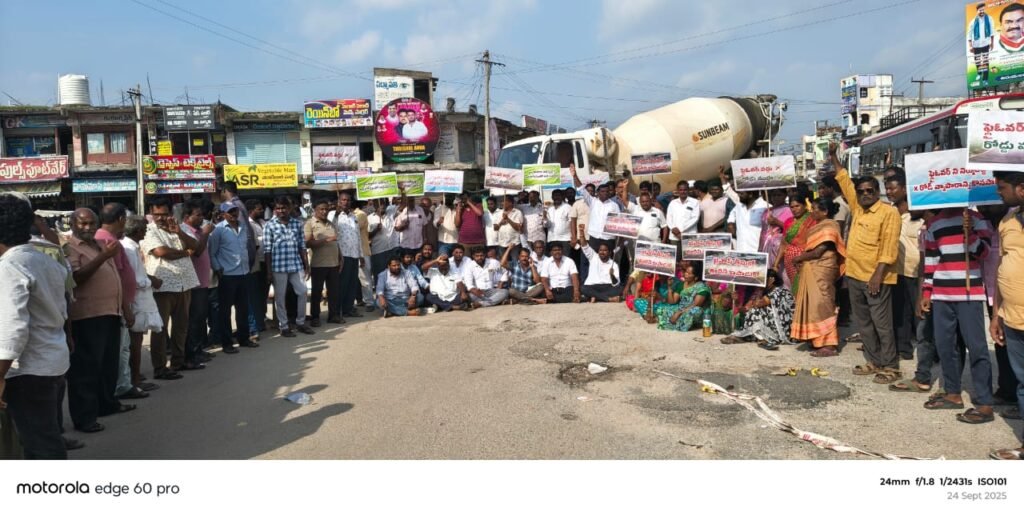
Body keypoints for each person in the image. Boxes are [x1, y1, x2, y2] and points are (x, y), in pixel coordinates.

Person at [0, 194, 71, 458]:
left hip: (27, 370)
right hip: (51, 360)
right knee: (45, 436)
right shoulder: (45, 260)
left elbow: (13, 328)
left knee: (39, 445)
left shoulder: (10, 267)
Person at [831, 142, 902, 384]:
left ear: (877, 191)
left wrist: (877, 275)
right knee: (864, 323)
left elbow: (889, 248)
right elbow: (844, 180)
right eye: (861, 191)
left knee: (882, 324)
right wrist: (833, 156)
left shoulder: (888, 213)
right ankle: (874, 361)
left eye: (870, 191)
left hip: (876, 277)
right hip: (854, 275)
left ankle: (891, 366)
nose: (864, 194)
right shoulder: (858, 208)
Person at [920, 207, 995, 423]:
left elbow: (984, 253)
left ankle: (985, 402)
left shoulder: (977, 219)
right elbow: (931, 261)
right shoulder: (933, 224)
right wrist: (927, 292)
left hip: (969, 294)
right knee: (946, 347)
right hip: (942, 294)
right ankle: (952, 393)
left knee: (977, 348)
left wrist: (969, 234)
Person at [66, 208, 131, 433]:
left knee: (107, 364)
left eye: (92, 223)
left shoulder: (101, 244)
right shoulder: (70, 247)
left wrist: (125, 308)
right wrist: (103, 257)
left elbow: (115, 277)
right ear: (72, 224)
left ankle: (106, 404)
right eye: (82, 223)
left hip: (110, 312)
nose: (88, 227)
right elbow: (76, 278)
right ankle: (84, 417)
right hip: (87, 315)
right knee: (85, 369)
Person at [142, 198, 199, 381]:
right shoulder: (149, 230)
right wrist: (184, 253)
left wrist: (179, 233)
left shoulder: (177, 228)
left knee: (181, 326)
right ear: (151, 213)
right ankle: (160, 367)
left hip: (184, 283)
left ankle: (178, 361)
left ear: (170, 213)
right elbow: (161, 252)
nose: (160, 218)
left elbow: (196, 247)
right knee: (160, 328)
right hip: (163, 285)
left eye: (164, 214)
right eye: (156, 214)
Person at [989, 171, 1024, 459]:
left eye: (1002, 188)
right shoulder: (1007, 222)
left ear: (1021, 189)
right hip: (1012, 318)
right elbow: (1002, 267)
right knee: (1023, 384)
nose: (998, 192)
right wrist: (996, 315)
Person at [789, 199, 847, 356]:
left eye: (814, 208)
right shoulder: (816, 227)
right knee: (813, 306)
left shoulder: (830, 227)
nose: (811, 211)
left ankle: (829, 344)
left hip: (823, 268)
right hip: (813, 268)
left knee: (823, 305)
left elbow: (818, 252)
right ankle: (816, 339)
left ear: (825, 211)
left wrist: (799, 258)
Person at [94, 203, 139, 400]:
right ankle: (122, 386)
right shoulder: (108, 241)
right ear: (121, 219)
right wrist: (126, 308)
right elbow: (116, 276)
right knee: (121, 349)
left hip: (118, 303)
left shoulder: (105, 238)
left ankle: (119, 386)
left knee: (121, 348)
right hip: (117, 305)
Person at [884, 171, 923, 360]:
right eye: (887, 189)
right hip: (896, 271)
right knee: (900, 312)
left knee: (920, 315)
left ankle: (928, 352)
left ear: (904, 189)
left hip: (916, 272)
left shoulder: (918, 215)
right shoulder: (889, 214)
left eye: (893, 188)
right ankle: (904, 349)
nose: (889, 192)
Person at [120, 216, 162, 393]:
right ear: (137, 231)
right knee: (134, 343)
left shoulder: (131, 247)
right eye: (144, 229)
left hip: (138, 298)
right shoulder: (129, 249)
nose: (146, 232)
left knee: (134, 342)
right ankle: (135, 380)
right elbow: (135, 280)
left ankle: (134, 377)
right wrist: (151, 281)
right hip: (136, 300)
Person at [264, 196, 314, 338]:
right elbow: (267, 250)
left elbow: (302, 246)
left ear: (289, 208)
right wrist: (268, 271)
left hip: (296, 264)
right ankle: (284, 326)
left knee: (302, 291)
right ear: (275, 209)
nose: (281, 211)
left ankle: (300, 322)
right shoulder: (270, 225)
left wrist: (306, 265)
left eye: (284, 208)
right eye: (278, 208)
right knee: (280, 297)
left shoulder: (297, 224)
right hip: (278, 267)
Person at [209, 202, 254, 353]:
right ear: (223, 214)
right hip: (227, 275)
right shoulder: (218, 230)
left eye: (235, 211)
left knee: (243, 309)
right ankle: (227, 343)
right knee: (225, 311)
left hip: (244, 273)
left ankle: (244, 338)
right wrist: (218, 269)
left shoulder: (243, 227)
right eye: (230, 212)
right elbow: (212, 253)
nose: (234, 214)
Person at [723, 269, 795, 350]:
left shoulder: (778, 291)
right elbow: (745, 310)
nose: (762, 284)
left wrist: (761, 289)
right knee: (754, 312)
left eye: (763, 281)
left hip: (782, 326)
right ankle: (754, 337)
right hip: (773, 322)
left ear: (772, 280)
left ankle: (763, 339)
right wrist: (736, 301)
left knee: (755, 312)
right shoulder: (768, 293)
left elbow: (758, 304)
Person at [181, 199, 214, 370]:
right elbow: (197, 251)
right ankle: (191, 354)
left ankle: (199, 350)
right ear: (187, 217)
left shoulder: (199, 230)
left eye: (202, 215)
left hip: (202, 281)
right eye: (198, 215)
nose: (202, 218)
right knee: (194, 319)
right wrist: (206, 233)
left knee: (200, 318)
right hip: (193, 283)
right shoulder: (185, 231)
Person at [305, 199, 341, 326]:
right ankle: (315, 317)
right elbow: (307, 243)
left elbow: (336, 242)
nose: (324, 211)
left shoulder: (331, 224)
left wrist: (340, 257)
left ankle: (333, 315)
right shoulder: (310, 223)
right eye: (321, 209)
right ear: (315, 210)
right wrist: (325, 240)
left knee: (334, 292)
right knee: (316, 292)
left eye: (326, 209)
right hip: (318, 264)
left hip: (334, 263)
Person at [645, 264, 711, 332]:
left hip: (692, 309)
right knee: (662, 309)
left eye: (689, 273)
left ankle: (679, 323)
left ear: (696, 277)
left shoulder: (702, 288)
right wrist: (669, 287)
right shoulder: (682, 284)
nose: (685, 274)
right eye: (686, 272)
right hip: (681, 308)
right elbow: (672, 301)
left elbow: (696, 304)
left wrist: (679, 313)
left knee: (695, 311)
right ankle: (679, 322)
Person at [572, 169, 621, 255]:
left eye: (607, 191)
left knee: (607, 261)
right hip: (594, 238)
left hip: (608, 238)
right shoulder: (592, 201)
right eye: (602, 191)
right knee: (593, 260)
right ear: (597, 193)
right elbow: (581, 189)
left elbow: (618, 223)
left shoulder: (614, 205)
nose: (605, 193)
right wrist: (575, 175)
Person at [332, 192, 364, 320]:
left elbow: (358, 236)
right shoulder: (334, 215)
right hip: (342, 254)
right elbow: (330, 227)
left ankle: (348, 308)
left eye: (348, 200)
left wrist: (361, 255)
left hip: (354, 254)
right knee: (342, 283)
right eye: (343, 200)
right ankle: (338, 310)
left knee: (352, 283)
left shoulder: (353, 217)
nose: (345, 202)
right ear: (339, 201)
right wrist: (336, 213)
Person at [778, 195, 817, 292]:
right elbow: (783, 244)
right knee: (796, 289)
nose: (794, 209)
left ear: (804, 206)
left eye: (797, 206)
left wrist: (802, 257)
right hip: (790, 261)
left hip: (806, 259)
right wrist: (776, 263)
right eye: (792, 207)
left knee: (807, 288)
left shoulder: (812, 220)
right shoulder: (788, 221)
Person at [245, 198, 268, 342]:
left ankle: (262, 319)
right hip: (255, 263)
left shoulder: (263, 222)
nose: (262, 211)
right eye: (259, 209)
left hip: (266, 261)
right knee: (255, 295)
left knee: (263, 293)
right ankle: (257, 324)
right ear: (251, 210)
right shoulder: (248, 225)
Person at [578, 232, 621, 302]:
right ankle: (608, 299)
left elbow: (616, 283)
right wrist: (582, 233)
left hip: (606, 286)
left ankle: (594, 297)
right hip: (592, 286)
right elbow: (584, 246)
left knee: (619, 290)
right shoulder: (593, 257)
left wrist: (612, 275)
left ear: (609, 252)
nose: (602, 252)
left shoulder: (614, 264)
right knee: (583, 288)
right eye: (600, 250)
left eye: (605, 250)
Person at [760, 189, 793, 275]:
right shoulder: (767, 211)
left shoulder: (788, 210)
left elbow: (792, 229)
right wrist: (760, 248)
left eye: (779, 195)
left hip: (779, 246)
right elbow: (763, 231)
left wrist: (776, 222)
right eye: (774, 195)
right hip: (766, 245)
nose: (776, 198)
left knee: (779, 271)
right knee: (766, 272)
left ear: (785, 196)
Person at [368, 199, 399, 288]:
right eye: (379, 204)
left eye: (383, 204)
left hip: (392, 249)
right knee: (379, 274)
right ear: (374, 205)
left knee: (394, 273)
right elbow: (367, 236)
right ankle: (380, 293)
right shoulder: (369, 218)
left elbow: (403, 205)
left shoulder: (390, 213)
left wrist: (403, 192)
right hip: (378, 251)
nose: (381, 206)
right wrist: (376, 230)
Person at [353, 201, 376, 312]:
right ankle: (359, 300)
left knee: (365, 279)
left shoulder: (360, 214)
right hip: (350, 252)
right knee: (354, 280)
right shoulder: (346, 216)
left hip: (362, 251)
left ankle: (369, 302)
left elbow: (353, 228)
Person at [666, 180, 700, 250]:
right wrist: (673, 228)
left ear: (688, 190)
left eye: (685, 190)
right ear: (677, 190)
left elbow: (695, 218)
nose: (683, 192)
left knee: (690, 256)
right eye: (680, 190)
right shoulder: (673, 203)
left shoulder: (695, 202)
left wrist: (680, 230)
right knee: (676, 256)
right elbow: (669, 218)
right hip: (674, 236)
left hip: (689, 235)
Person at [394, 190, 426, 258]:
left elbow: (424, 226)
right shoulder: (401, 211)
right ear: (406, 201)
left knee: (418, 263)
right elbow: (396, 228)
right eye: (409, 200)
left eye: (412, 200)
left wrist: (424, 239)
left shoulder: (420, 210)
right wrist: (403, 226)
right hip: (406, 246)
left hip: (418, 245)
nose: (411, 202)